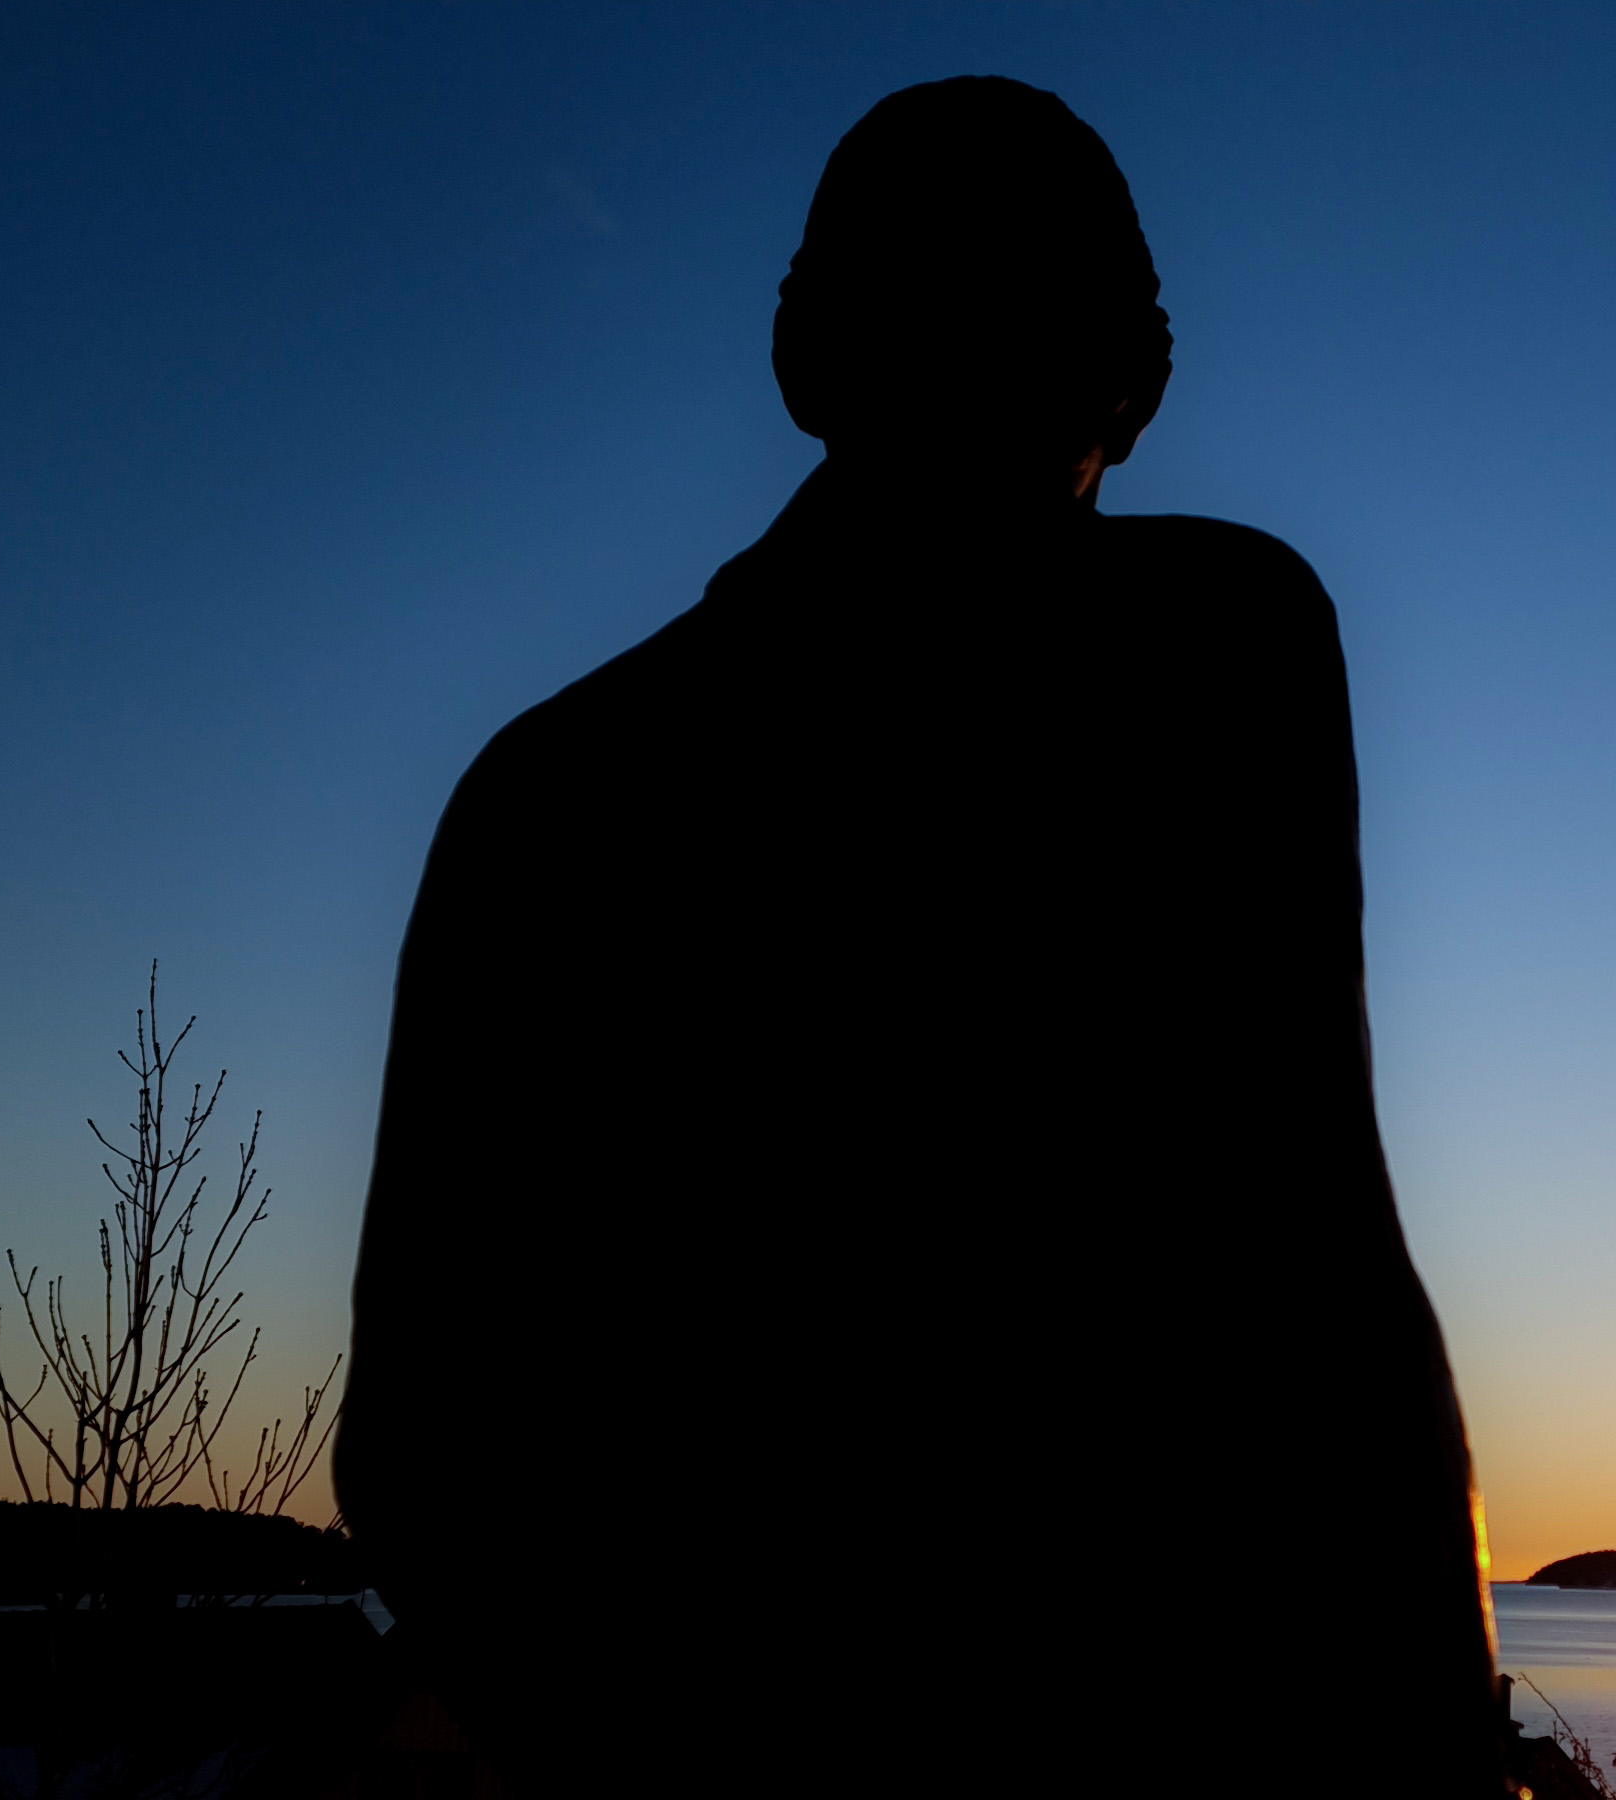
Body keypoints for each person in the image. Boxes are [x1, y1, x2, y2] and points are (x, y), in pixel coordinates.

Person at [337, 76, 1502, 1796]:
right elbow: (1321, 1275)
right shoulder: (1215, 649)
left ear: (800, 356)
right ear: (1141, 379)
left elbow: (428, 1464)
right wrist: (1444, 1728)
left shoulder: (549, 785)